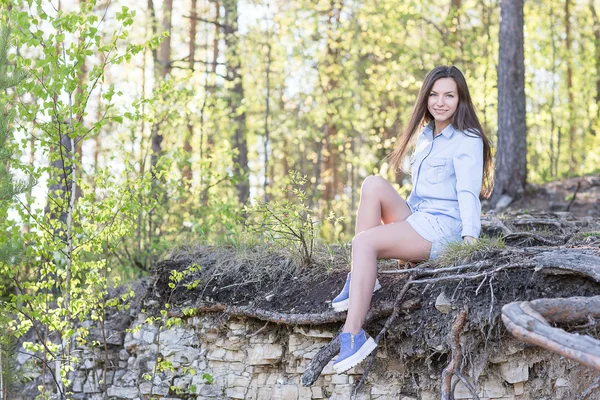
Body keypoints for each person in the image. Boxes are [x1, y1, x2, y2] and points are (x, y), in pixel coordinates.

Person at [330, 65, 494, 374]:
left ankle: (353, 336)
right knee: (372, 184)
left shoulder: (467, 138)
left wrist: (470, 240)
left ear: (461, 99)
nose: (440, 102)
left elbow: (468, 193)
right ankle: (363, 277)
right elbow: (419, 196)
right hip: (420, 217)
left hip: (443, 228)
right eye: (433, 94)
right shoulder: (427, 134)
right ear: (425, 98)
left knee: (364, 242)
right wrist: (404, 229)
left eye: (449, 95)